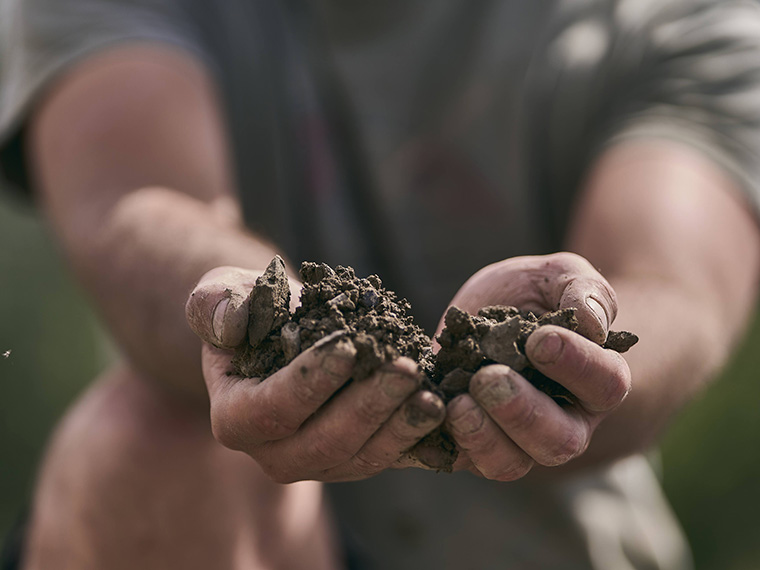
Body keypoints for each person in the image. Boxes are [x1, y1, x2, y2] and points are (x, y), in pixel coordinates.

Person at [1, 0, 759, 568]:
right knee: (147, 445)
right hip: (235, 537)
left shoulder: (673, 17)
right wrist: (258, 313)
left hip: (547, 551)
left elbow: (673, 285)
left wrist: (575, 347)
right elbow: (134, 207)